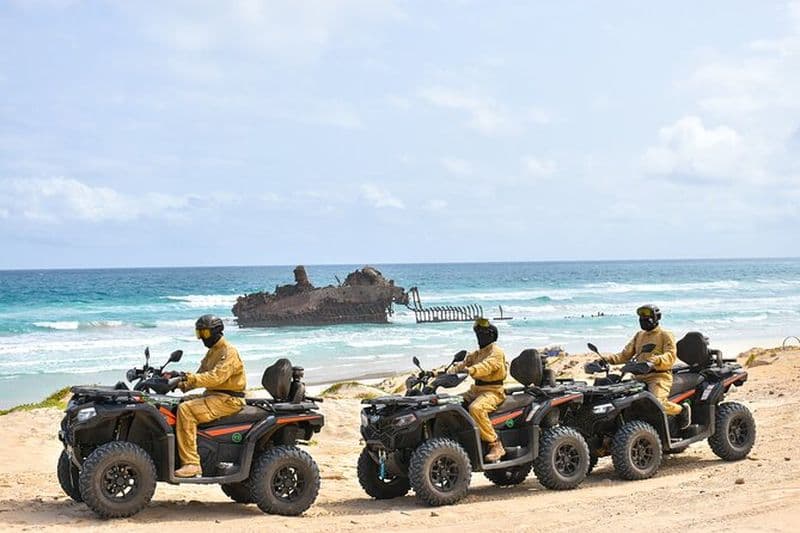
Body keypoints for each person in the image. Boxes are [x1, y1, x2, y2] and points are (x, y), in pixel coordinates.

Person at [171, 314, 247, 478]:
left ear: (216, 331)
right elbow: (200, 375)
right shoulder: (212, 352)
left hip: (228, 400)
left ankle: (191, 463)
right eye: (199, 334)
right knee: (176, 404)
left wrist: (189, 377)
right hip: (213, 396)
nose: (202, 339)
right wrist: (177, 382)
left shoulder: (229, 352)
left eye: (204, 334)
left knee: (186, 410)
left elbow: (215, 378)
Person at [595, 305, 684, 419]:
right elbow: (624, 355)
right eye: (641, 318)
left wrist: (655, 361)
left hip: (658, 377)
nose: (643, 321)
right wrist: (606, 359)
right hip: (638, 377)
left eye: (647, 318)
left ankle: (681, 411)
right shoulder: (639, 335)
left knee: (657, 403)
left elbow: (670, 356)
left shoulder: (665, 335)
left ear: (657, 317)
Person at [449, 318, 508, 462]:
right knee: (451, 403)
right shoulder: (476, 354)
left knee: (476, 409)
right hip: (475, 390)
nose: (479, 337)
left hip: (493, 391)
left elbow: (487, 366)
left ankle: (495, 444)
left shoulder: (496, 352)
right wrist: (445, 372)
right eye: (477, 333)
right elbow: (462, 365)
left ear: (491, 335)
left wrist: (471, 370)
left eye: (482, 334)